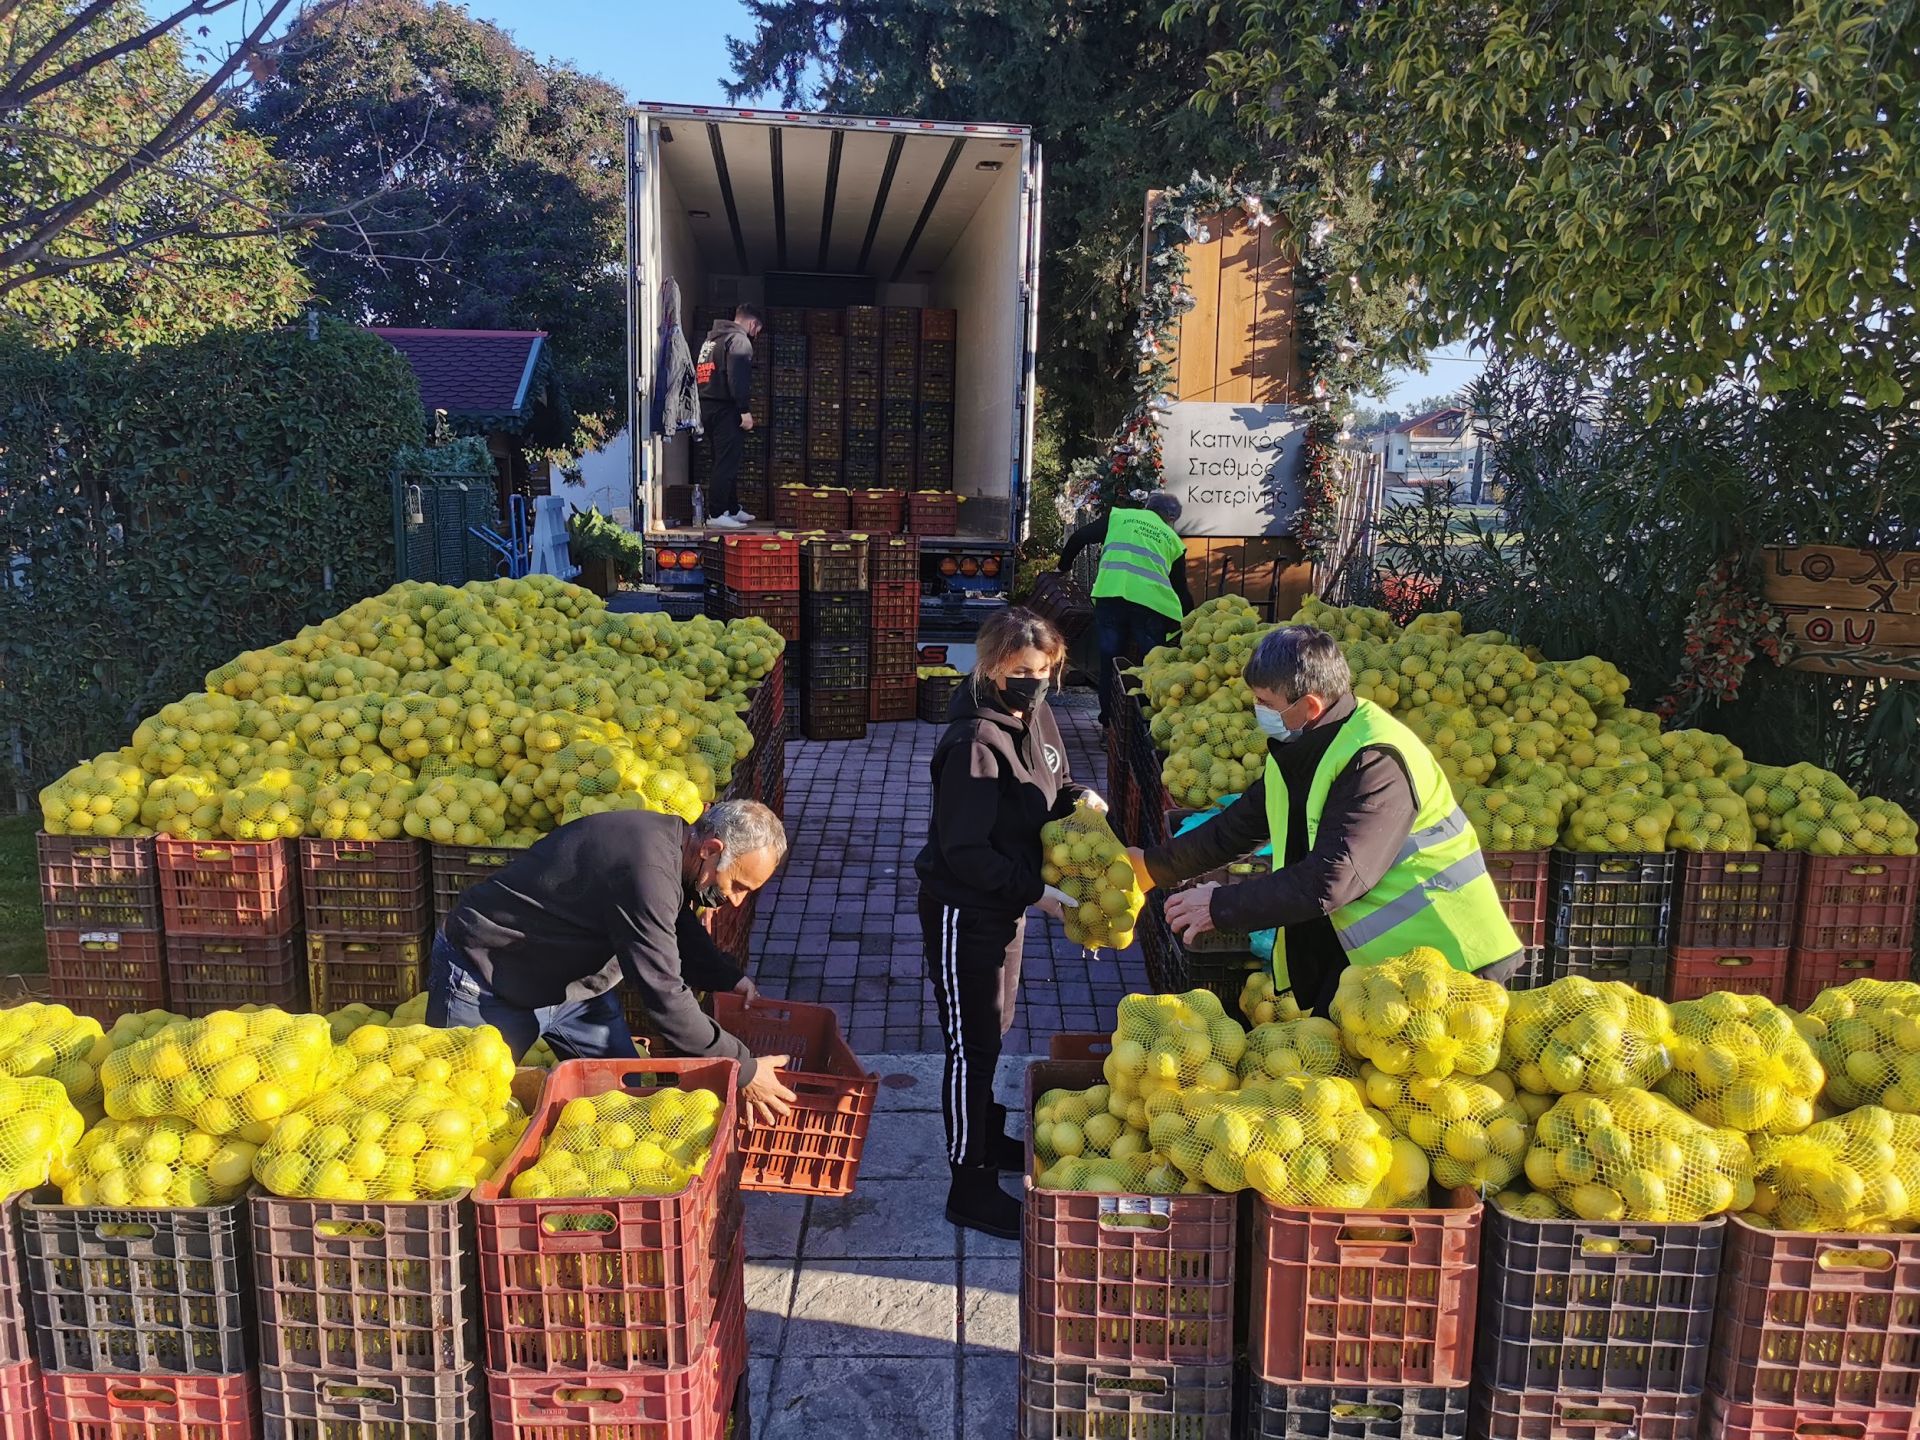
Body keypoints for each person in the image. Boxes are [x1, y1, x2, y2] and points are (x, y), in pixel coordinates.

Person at [1127, 625, 1523, 1018]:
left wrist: (1220, 906)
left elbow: (1331, 878)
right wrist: (1152, 867)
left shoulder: (1375, 760)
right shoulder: (1304, 747)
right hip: (1380, 968)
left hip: (1450, 961)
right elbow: (1238, 827)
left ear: (1310, 706)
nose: (1258, 711)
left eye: (1265, 702)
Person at [429, 799, 799, 1125]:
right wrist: (744, 1068)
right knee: (462, 1107)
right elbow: (665, 998)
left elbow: (675, 921)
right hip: (491, 973)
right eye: (738, 885)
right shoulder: (646, 868)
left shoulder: (673, 848)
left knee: (625, 1101)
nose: (736, 901)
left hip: (574, 989)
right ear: (711, 849)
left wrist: (725, 977)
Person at [916, 608, 1101, 1239]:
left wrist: (1080, 798)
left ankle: (987, 1136)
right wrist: (1038, 893)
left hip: (1006, 906)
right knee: (969, 1045)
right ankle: (968, 1184)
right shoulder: (974, 743)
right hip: (963, 911)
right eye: (1023, 672)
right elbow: (964, 852)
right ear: (993, 667)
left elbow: (1057, 780)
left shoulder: (1036, 715)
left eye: (1046, 671)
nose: (1036, 682)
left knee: (993, 1029)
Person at [1057, 493, 1193, 725]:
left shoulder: (1119, 518)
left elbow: (1079, 537)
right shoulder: (1173, 539)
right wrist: (1189, 620)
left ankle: (1108, 724)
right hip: (1150, 607)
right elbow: (1180, 589)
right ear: (1171, 518)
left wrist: (1063, 567)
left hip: (1111, 598)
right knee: (1152, 665)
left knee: (1110, 664)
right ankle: (1145, 722)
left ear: (1147, 506)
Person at [695, 303, 764, 529]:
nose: (756, 335)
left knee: (725, 459)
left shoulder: (712, 340)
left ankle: (732, 509)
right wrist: (744, 410)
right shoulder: (739, 341)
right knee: (726, 462)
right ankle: (716, 513)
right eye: (757, 330)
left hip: (707, 404)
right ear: (752, 324)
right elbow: (737, 377)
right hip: (725, 408)